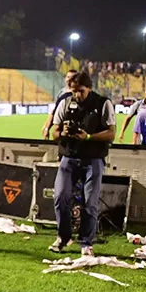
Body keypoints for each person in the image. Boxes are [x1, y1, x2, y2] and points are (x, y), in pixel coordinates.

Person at [47, 71, 115, 256]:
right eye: (74, 90)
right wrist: (63, 133)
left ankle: (86, 242)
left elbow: (111, 133)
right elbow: (54, 132)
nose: (77, 95)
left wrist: (89, 137)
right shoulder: (66, 102)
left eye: (81, 91)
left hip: (93, 159)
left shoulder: (103, 103)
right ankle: (63, 237)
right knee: (60, 197)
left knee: (90, 203)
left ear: (90, 88)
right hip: (69, 158)